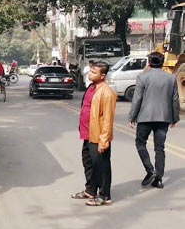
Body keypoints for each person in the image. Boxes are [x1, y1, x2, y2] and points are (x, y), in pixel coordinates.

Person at [128, 52, 180, 189]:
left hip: (145, 117)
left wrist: (132, 117)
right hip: (163, 118)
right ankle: (159, 179)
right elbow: (174, 99)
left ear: (149, 62)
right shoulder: (171, 78)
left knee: (140, 143)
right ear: (162, 62)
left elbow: (137, 98)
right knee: (160, 148)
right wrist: (175, 117)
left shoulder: (142, 77)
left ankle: (149, 169)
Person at [71, 61, 116, 206]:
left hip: (98, 136)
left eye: (94, 72)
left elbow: (107, 119)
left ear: (103, 76)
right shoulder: (91, 87)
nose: (90, 74)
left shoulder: (106, 92)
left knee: (101, 166)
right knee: (88, 163)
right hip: (87, 133)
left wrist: (104, 140)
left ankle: (104, 196)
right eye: (90, 71)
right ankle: (90, 190)